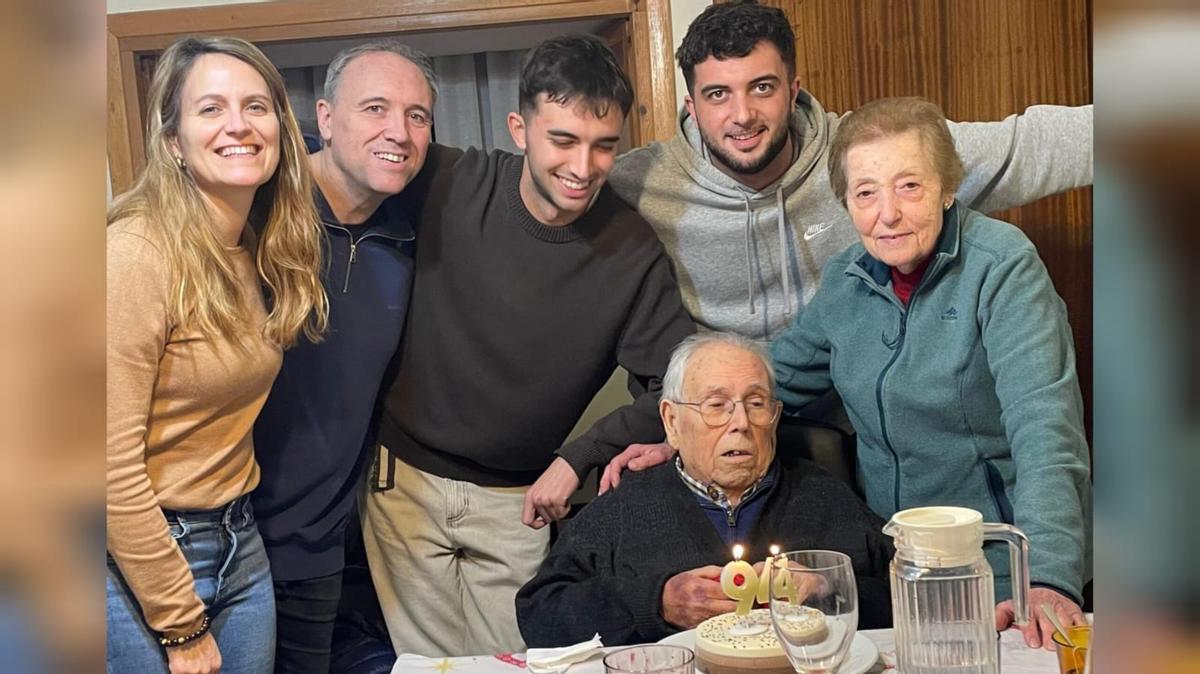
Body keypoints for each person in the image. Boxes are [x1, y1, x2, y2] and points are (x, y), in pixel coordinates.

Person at [599, 0, 1093, 494]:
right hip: (736, 432)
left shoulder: (875, 153)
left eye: (762, 87)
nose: (742, 114)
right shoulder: (642, 183)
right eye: (718, 94)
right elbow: (552, 212)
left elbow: (1025, 146)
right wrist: (678, 435)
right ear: (692, 105)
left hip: (862, 447)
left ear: (793, 91)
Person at [361, 34, 695, 657]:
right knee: (429, 670)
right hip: (401, 483)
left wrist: (580, 456)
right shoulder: (444, 179)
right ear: (520, 127)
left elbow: (678, 389)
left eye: (603, 146)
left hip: (521, 501)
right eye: (562, 140)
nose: (583, 166)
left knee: (525, 664)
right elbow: (343, 174)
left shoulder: (632, 249)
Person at [769, 96, 1092, 650]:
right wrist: (672, 431)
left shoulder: (1003, 266)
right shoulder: (846, 282)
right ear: (846, 203)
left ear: (948, 187)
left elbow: (1046, 431)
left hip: (1000, 575)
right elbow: (766, 383)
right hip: (898, 578)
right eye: (866, 192)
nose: (887, 213)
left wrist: (1045, 576)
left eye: (909, 186)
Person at [107, 36, 327, 674]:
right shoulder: (136, 254)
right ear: (173, 140)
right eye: (211, 109)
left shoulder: (254, 248)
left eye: (256, 106)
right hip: (137, 561)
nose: (239, 124)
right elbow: (104, 465)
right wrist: (179, 626)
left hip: (238, 536)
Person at [515, 332, 894, 647]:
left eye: (756, 403)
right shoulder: (624, 507)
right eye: (717, 405)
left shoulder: (824, 495)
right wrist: (657, 603)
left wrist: (825, 592)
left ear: (775, 417)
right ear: (672, 422)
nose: (741, 423)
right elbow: (540, 614)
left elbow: (907, 596)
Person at [248, 40, 435, 673]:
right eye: (375, 108)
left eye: (417, 115)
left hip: (320, 553)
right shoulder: (255, 216)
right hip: (217, 543)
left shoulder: (407, 235)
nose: (399, 132)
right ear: (325, 119)